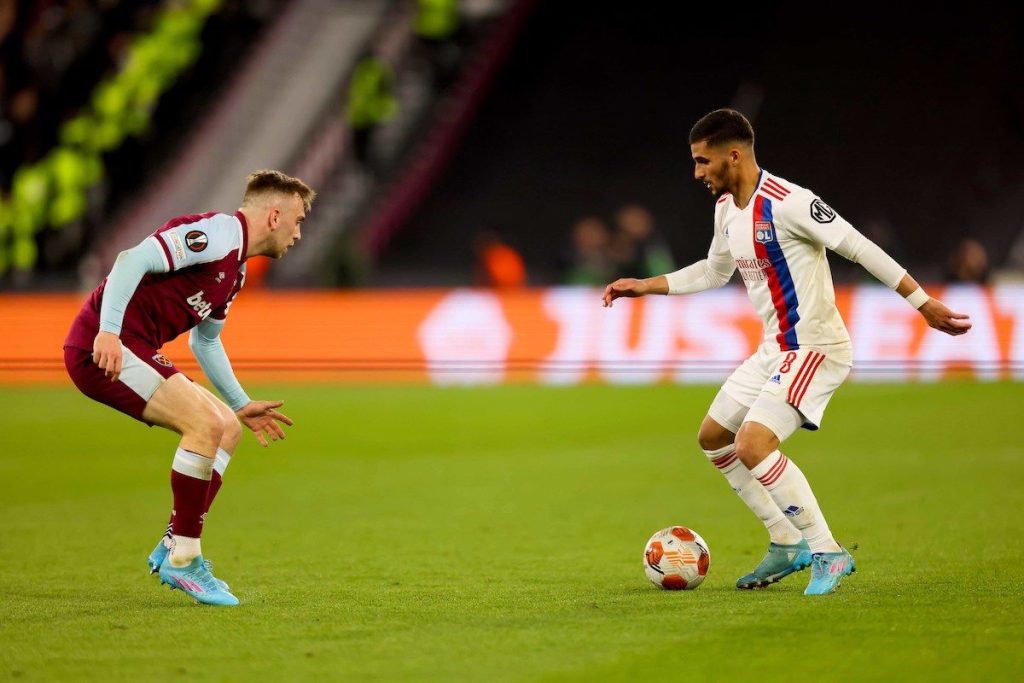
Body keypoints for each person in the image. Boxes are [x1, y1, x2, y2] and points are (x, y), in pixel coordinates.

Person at [602, 109, 971, 595]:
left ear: (733, 155)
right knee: (714, 437)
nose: (697, 173)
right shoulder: (726, 210)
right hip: (774, 350)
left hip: (815, 348)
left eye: (701, 161)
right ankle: (785, 540)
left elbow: (858, 247)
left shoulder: (791, 202)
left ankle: (827, 550)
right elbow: (714, 272)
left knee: (754, 444)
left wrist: (921, 303)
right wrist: (645, 286)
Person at [63, 170, 316, 606]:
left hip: (132, 344)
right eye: (297, 220)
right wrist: (107, 330)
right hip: (105, 346)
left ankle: (171, 544)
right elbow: (131, 260)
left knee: (227, 428)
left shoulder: (234, 272)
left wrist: (240, 403)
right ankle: (185, 558)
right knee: (202, 424)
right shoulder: (216, 235)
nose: (298, 233)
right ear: (274, 216)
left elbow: (206, 340)